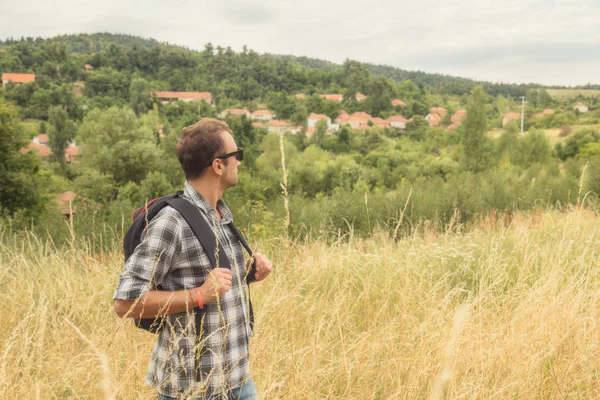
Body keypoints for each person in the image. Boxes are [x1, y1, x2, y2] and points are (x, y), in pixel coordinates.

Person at [113, 118, 273, 399]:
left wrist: (249, 273)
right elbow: (125, 303)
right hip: (194, 388)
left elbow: (209, 278)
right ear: (218, 165)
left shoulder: (221, 214)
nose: (240, 162)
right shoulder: (171, 222)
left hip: (238, 378)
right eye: (237, 155)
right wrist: (199, 295)